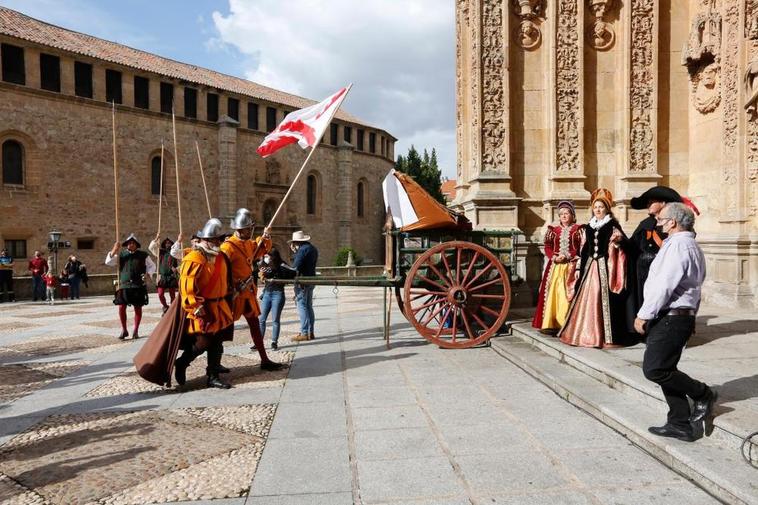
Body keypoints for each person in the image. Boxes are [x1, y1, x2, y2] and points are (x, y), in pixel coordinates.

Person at [634, 202, 716, 442]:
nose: (658, 222)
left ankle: (703, 393)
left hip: (672, 317)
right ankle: (679, 422)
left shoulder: (680, 246)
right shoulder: (684, 245)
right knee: (665, 367)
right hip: (676, 316)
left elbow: (665, 285)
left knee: (655, 369)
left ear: (673, 222)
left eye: (662, 218)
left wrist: (644, 314)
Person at [559, 188, 635, 348]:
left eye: (601, 207)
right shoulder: (589, 227)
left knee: (604, 298)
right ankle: (582, 334)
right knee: (586, 299)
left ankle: (606, 337)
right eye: (596, 207)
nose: (598, 210)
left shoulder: (612, 225)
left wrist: (618, 242)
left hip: (606, 268)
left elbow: (626, 245)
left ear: (607, 209)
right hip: (590, 268)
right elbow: (584, 249)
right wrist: (579, 268)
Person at [220, 208, 285, 371]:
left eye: (251, 228)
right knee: (221, 329)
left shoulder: (249, 244)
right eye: (248, 229)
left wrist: (266, 235)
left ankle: (264, 359)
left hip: (247, 293)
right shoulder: (228, 247)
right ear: (239, 229)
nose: (250, 231)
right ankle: (214, 364)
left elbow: (261, 249)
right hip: (233, 294)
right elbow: (220, 270)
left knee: (255, 325)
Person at [174, 218, 235, 389]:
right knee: (202, 343)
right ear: (204, 240)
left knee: (217, 342)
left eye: (218, 240)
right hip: (203, 307)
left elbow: (226, 279)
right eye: (213, 240)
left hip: (220, 305)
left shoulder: (221, 257)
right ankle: (182, 363)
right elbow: (186, 286)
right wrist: (195, 306)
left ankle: (213, 376)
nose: (217, 243)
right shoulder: (194, 258)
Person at [627, 186, 684, 322]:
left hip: (665, 272)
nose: (648, 204)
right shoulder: (645, 224)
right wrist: (619, 242)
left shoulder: (676, 224)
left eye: (651, 201)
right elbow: (632, 246)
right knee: (646, 302)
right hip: (644, 273)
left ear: (663, 203)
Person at [531, 201, 583, 333]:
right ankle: (551, 323)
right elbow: (548, 247)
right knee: (553, 293)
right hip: (555, 267)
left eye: (566, 213)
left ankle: (565, 323)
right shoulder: (553, 231)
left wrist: (568, 256)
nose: (564, 216)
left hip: (570, 266)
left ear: (572, 215)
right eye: (561, 214)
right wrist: (554, 257)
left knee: (567, 294)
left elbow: (581, 248)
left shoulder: (578, 230)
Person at [106, 234, 156, 340]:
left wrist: (148, 274)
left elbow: (152, 266)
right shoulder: (121, 255)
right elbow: (108, 262)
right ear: (126, 245)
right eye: (129, 243)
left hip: (138, 285)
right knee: (121, 307)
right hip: (124, 285)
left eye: (133, 243)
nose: (131, 244)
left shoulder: (143, 255)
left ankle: (136, 330)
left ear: (136, 245)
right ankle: (124, 330)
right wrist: (114, 250)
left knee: (138, 307)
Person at [258, 248, 297, 350]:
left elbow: (293, 272)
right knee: (262, 319)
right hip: (267, 293)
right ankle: (259, 342)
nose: (268, 258)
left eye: (269, 256)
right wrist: (262, 269)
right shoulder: (265, 265)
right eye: (267, 256)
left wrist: (280, 278)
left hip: (278, 293)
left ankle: (274, 342)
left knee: (275, 319)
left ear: (274, 256)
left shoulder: (281, 265)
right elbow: (259, 271)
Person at [290, 230, 318, 342]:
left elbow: (296, 267)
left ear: (296, 242)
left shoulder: (301, 250)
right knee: (309, 306)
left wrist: (295, 253)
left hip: (302, 281)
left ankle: (304, 332)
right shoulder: (313, 248)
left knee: (302, 306)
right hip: (311, 279)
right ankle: (310, 332)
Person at [149, 236, 179, 314]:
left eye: (169, 243)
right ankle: (165, 306)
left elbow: (182, 260)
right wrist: (156, 239)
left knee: (172, 295)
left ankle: (172, 309)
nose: (167, 244)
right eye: (166, 243)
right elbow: (151, 248)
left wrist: (177, 269)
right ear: (164, 244)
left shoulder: (175, 253)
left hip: (171, 276)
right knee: (160, 294)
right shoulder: (160, 252)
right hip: (162, 277)